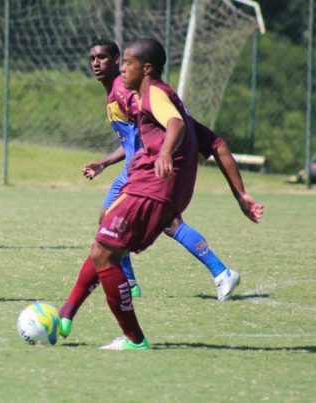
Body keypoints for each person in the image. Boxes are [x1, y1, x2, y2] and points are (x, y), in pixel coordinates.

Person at [58, 38, 264, 351]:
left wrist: (166, 152)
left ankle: (133, 337)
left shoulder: (150, 95)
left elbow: (175, 123)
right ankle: (67, 314)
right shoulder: (158, 97)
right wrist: (241, 195)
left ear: (147, 68)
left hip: (150, 186)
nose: (121, 69)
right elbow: (217, 144)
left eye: (125, 63)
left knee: (104, 249)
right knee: (104, 244)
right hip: (159, 189)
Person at [78, 40, 243, 301]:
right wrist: (106, 163)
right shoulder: (115, 91)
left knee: (163, 223)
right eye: (92, 58)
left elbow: (157, 125)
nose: (96, 63)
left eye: (102, 57)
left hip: (144, 170)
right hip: (135, 168)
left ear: (118, 60)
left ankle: (220, 272)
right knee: (112, 219)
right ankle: (132, 283)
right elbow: (135, 136)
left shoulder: (125, 91)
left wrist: (165, 153)